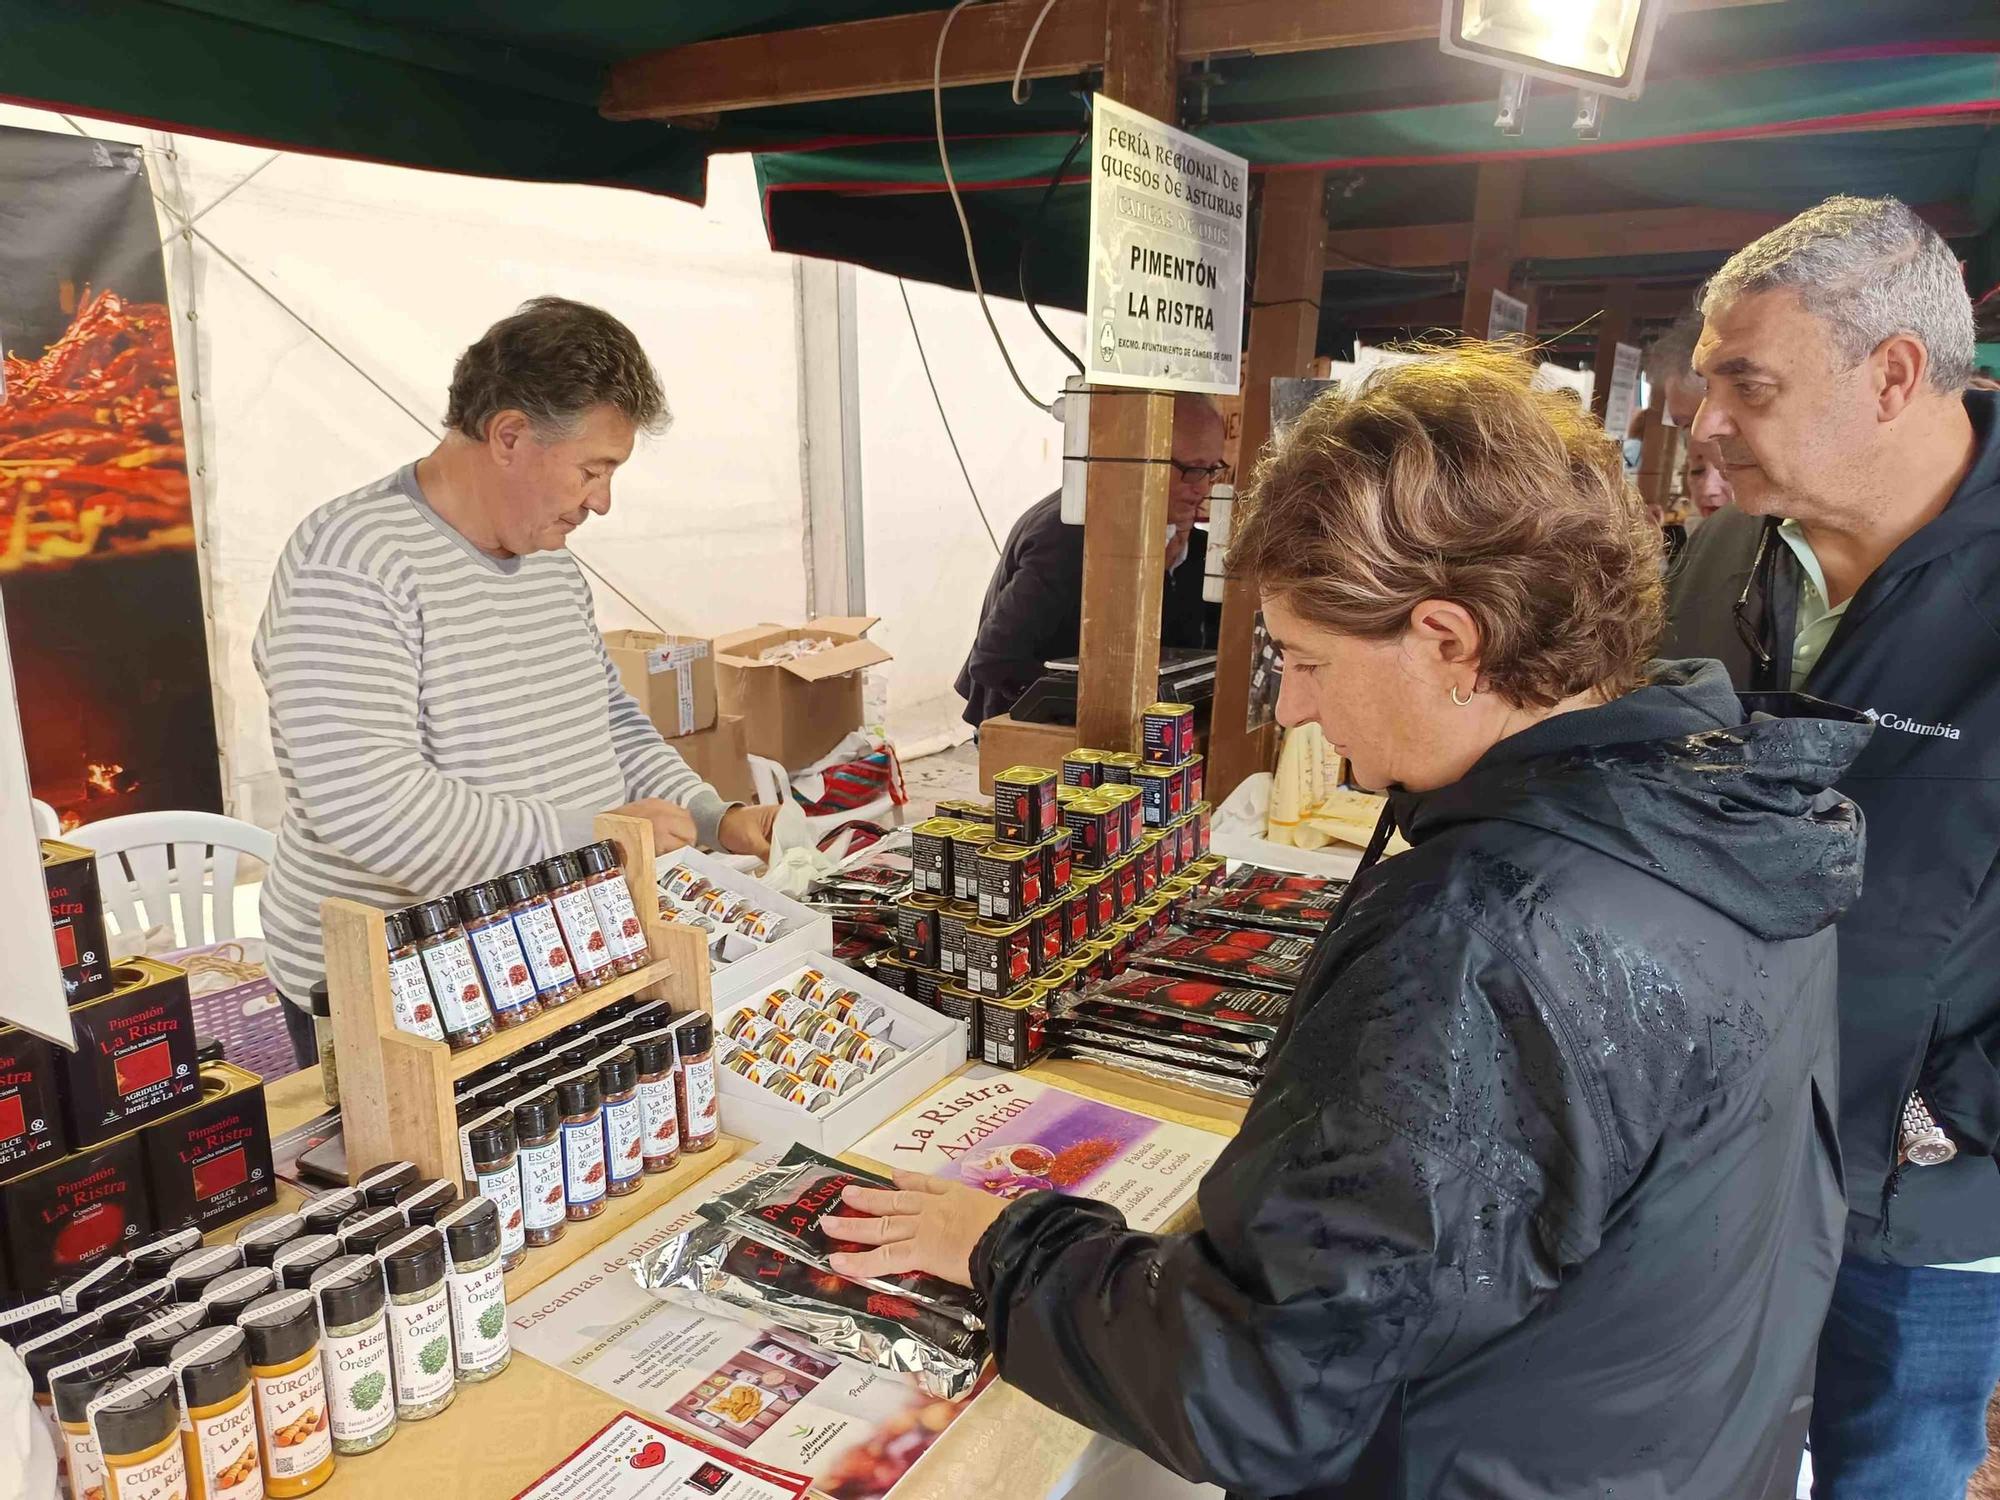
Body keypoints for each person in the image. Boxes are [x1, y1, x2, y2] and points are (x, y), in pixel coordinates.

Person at [831, 344, 1866, 1499]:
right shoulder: (1727, 814)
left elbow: (1260, 1389)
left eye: (1304, 660)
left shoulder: (1487, 932)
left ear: (1448, 639)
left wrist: (1003, 1246)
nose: (1300, 709)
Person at [1661, 195, 2000, 1498]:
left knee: (1890, 1470)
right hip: (1706, 1168)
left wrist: (1956, 1115)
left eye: (1745, 384)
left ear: (1894, 377)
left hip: (1919, 1211)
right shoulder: (1724, 560)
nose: (1704, 425)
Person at [256, 297, 779, 1056]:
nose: (601, 500)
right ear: (509, 435)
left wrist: (709, 814)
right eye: (592, 470)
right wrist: (594, 841)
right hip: (403, 994)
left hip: (542, 956)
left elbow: (607, 723)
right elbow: (372, 810)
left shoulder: (549, 567)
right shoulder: (351, 563)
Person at [954, 393, 1225, 727]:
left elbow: (1185, 650)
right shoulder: (1070, 533)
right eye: (1192, 469)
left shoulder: (1186, 541)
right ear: (1138, 457)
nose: (1203, 487)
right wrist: (1101, 704)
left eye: (1212, 470)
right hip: (1027, 731)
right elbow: (995, 660)